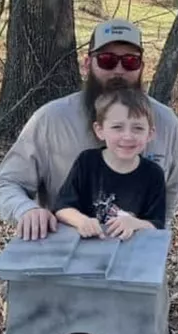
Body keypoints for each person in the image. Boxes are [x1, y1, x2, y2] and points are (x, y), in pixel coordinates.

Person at [0, 18, 178, 241]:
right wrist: (26, 210)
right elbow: (6, 183)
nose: (119, 70)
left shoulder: (166, 122)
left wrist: (155, 235)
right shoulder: (51, 119)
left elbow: (172, 186)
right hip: (62, 251)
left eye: (130, 61)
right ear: (87, 63)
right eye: (107, 60)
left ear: (141, 67)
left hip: (135, 257)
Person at [52, 87, 166, 241]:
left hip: (131, 254)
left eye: (138, 128)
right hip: (85, 249)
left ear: (150, 134)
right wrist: (82, 221)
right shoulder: (87, 162)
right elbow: (62, 208)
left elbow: (157, 225)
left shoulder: (153, 174)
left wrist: (135, 223)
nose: (127, 136)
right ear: (100, 130)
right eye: (117, 127)